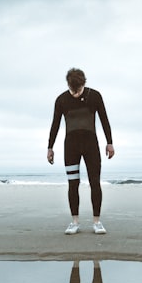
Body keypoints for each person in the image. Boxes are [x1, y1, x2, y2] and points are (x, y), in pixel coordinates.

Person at [47, 67, 115, 235]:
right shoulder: (62, 100)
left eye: (78, 90)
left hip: (91, 145)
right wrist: (50, 147)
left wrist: (109, 142)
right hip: (70, 146)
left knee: (94, 182)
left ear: (84, 83)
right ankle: (74, 221)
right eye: (72, 90)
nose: (75, 93)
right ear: (68, 85)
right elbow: (55, 124)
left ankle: (97, 222)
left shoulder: (95, 96)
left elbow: (104, 119)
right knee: (73, 184)